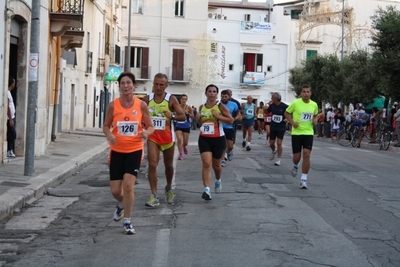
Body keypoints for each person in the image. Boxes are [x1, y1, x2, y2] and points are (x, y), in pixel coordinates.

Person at [102, 72, 155, 235]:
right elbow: (105, 125)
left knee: (128, 186)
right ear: (119, 86)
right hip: (117, 151)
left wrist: (147, 132)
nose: (125, 86)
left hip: (135, 150)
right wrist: (109, 134)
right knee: (116, 191)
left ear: (134, 86)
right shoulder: (113, 105)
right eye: (122, 83)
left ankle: (127, 221)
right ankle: (121, 204)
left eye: (128, 83)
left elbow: (151, 126)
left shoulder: (141, 105)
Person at [142, 73, 185, 207]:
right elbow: (138, 115)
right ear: (153, 84)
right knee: (153, 164)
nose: (158, 87)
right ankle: (154, 195)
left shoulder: (170, 99)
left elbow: (182, 116)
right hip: (153, 136)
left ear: (166, 86)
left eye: (161, 84)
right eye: (156, 84)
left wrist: (171, 115)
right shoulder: (147, 99)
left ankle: (168, 187)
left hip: (167, 137)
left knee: (168, 166)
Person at [196, 84, 233, 200]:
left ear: (216, 94)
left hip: (218, 139)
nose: (212, 93)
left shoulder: (220, 106)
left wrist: (218, 116)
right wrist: (197, 118)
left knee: (217, 166)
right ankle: (206, 190)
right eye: (209, 91)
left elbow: (231, 120)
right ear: (206, 93)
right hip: (204, 138)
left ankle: (218, 179)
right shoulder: (202, 107)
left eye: (214, 92)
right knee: (207, 163)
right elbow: (201, 124)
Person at [284, 85, 318, 189]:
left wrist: (315, 120)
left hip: (308, 132)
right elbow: (286, 113)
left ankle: (304, 179)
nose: (306, 93)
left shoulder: (314, 104)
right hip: (297, 133)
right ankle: (295, 165)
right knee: (296, 158)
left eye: (308, 92)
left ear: (310, 93)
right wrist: (292, 122)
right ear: (301, 93)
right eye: (304, 92)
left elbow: (315, 114)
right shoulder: (295, 103)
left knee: (307, 154)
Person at [220, 90, 241, 167]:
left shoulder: (234, 104)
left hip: (230, 127)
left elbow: (239, 113)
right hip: (221, 127)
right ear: (220, 96)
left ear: (229, 97)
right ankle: (222, 160)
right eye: (223, 97)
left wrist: (235, 119)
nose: (224, 98)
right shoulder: (218, 104)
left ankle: (229, 152)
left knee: (230, 146)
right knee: (222, 145)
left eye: (226, 97)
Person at [267, 93, 288, 166]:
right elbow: (267, 112)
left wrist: (287, 119)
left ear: (275, 99)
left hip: (281, 127)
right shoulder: (272, 106)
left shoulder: (284, 106)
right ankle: (273, 151)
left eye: (272, 98)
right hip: (273, 126)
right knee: (271, 143)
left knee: (279, 143)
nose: (271, 99)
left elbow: (290, 113)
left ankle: (278, 159)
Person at [175, 94, 193, 160]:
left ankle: (184, 146)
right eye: (182, 99)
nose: (184, 100)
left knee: (185, 142)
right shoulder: (177, 107)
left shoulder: (189, 107)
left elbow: (193, 116)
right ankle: (180, 154)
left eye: (185, 99)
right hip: (178, 125)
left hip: (186, 125)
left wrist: (188, 113)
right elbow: (174, 114)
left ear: (186, 100)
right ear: (180, 99)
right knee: (179, 139)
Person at [7, 77, 17, 158]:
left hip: (12, 117)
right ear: (12, 83)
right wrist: (10, 119)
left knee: (12, 134)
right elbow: (7, 107)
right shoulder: (7, 93)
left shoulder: (9, 92)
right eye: (14, 82)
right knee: (12, 134)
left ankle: (10, 150)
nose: (14, 84)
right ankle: (9, 150)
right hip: (9, 118)